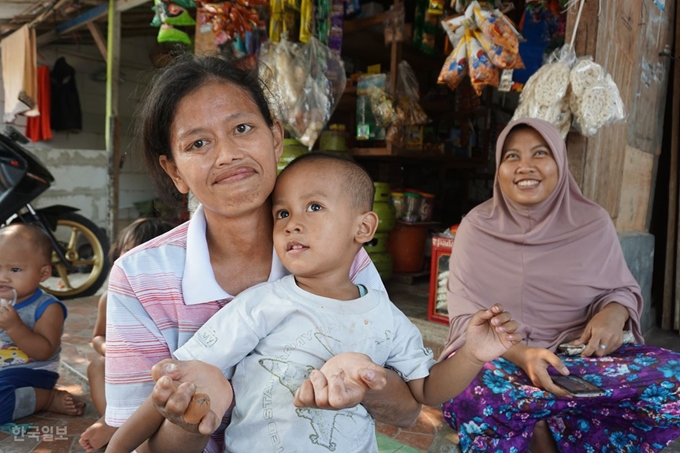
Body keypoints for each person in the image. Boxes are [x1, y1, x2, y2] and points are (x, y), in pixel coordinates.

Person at [99, 52, 430, 453]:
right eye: (198, 143)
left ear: (275, 138)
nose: (227, 155)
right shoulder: (139, 278)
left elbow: (406, 413)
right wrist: (191, 419)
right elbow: (140, 446)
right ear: (175, 172)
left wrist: (364, 382)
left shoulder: (336, 256)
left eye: (241, 128)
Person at [106, 152, 522, 453]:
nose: (294, 223)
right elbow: (181, 381)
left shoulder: (386, 317)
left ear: (363, 226)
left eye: (315, 207)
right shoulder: (262, 303)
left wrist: (472, 354)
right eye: (282, 214)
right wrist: (117, 448)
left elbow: (428, 391)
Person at [439, 117, 680, 452]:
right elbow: (465, 322)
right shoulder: (476, 227)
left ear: (560, 163)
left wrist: (614, 313)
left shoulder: (592, 221)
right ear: (499, 168)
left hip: (574, 362)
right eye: (512, 157)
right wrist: (522, 355)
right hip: (500, 363)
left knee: (674, 379)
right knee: (475, 389)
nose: (525, 167)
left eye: (540, 153)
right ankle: (551, 425)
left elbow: (619, 289)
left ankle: (542, 418)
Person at [79, 217, 175, 452]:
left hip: (155, 369)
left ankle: (138, 427)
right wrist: (109, 349)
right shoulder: (109, 297)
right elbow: (97, 336)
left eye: (146, 255)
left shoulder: (169, 298)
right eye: (129, 253)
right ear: (117, 255)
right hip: (121, 366)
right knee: (96, 366)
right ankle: (112, 421)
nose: (136, 262)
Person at [0, 224, 84, 425]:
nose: (2, 277)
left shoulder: (47, 308)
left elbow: (44, 351)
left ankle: (46, 399)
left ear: (43, 273)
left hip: (31, 372)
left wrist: (14, 327)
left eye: (15, 269)